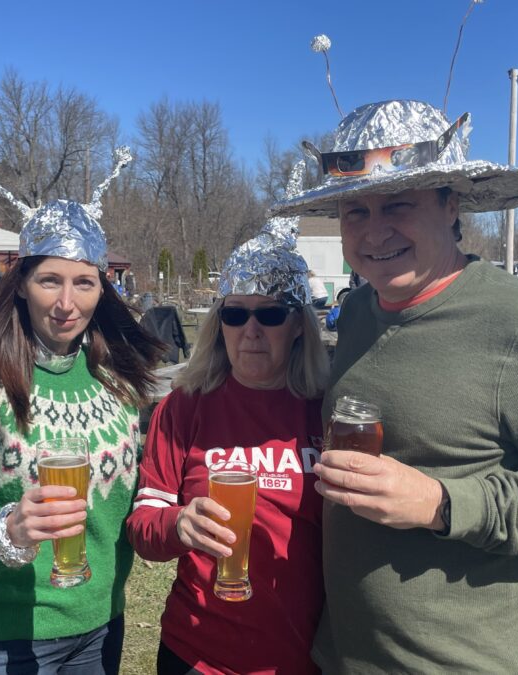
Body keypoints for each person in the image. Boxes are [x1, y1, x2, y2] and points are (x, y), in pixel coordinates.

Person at [271, 99, 518, 673]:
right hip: (345, 654)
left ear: (451, 205)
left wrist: (443, 504)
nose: (375, 232)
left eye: (398, 205)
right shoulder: (362, 311)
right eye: (355, 211)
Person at [0, 147, 165, 674]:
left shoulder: (117, 388)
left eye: (84, 283)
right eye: (50, 280)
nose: (66, 303)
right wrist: (6, 532)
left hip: (98, 629)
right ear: (22, 285)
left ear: (101, 289)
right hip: (3, 640)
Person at [127, 170, 331, 675]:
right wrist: (179, 523)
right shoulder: (185, 407)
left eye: (271, 315)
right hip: (196, 652)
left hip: (302, 657)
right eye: (236, 316)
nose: (252, 332)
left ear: (299, 327)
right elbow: (143, 525)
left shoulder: (327, 410)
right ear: (220, 326)